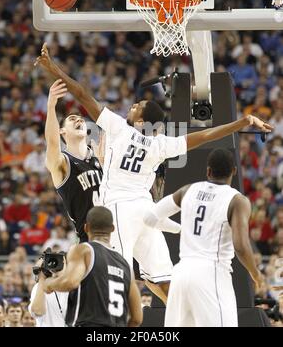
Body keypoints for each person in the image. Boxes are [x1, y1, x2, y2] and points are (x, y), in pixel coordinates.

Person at [35, 43, 272, 304]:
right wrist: (241, 123)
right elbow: (203, 136)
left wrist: (54, 69)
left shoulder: (118, 129)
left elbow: (81, 94)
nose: (133, 105)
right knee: (163, 279)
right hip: (146, 213)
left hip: (119, 210)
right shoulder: (161, 145)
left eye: (137, 106)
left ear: (139, 121)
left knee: (114, 274)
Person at [144, 149, 264, 327]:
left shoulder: (188, 190)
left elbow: (150, 218)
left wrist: (181, 230)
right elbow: (240, 245)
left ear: (208, 171)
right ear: (234, 171)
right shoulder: (237, 200)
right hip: (211, 274)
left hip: (181, 273)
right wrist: (256, 274)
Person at [43, 206, 143, 327]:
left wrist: (48, 284)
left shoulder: (84, 250)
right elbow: (137, 318)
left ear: (86, 227)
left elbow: (70, 282)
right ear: (112, 229)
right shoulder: (125, 264)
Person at [45, 79, 103, 242]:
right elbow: (52, 142)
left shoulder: (100, 158)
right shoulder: (63, 163)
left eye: (81, 119)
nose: (79, 120)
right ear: (62, 131)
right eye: (72, 119)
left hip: (119, 233)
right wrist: (51, 106)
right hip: (90, 241)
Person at [28, 257, 69, 327]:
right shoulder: (38, 287)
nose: (55, 267)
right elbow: (38, 311)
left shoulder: (73, 286)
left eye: (60, 263)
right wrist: (41, 278)